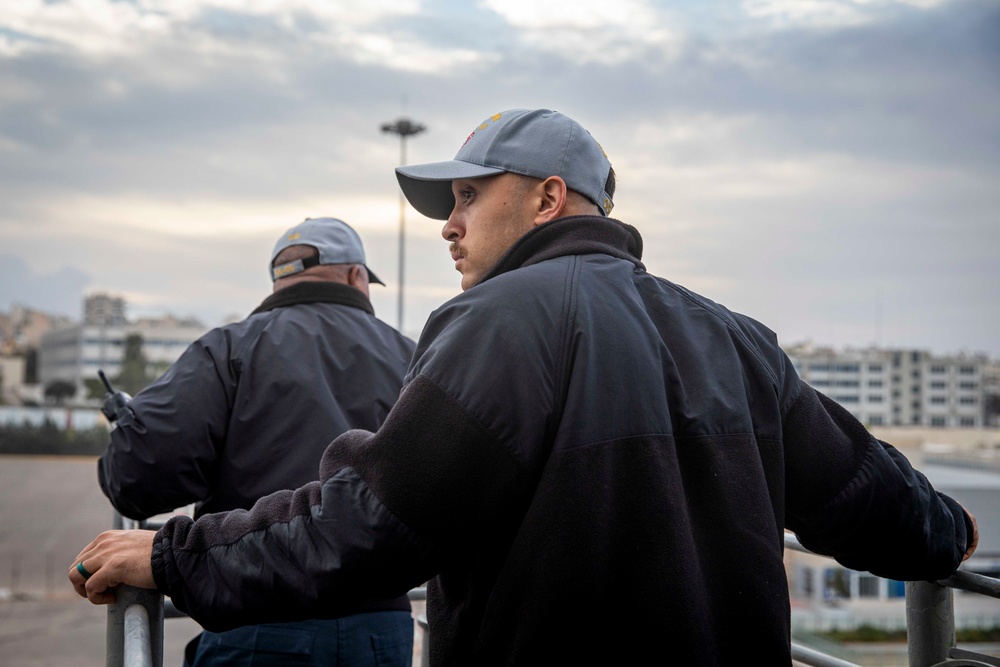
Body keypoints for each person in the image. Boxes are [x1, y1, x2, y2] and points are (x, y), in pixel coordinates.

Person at [72, 109, 978, 665]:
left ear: (548, 200)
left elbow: (368, 525)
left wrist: (174, 555)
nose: (449, 226)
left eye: (468, 198)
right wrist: (951, 531)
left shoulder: (499, 322)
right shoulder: (732, 334)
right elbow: (863, 494)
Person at [96, 217, 417, 666]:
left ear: (279, 279)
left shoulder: (228, 348)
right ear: (356, 275)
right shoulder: (413, 355)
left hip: (256, 620)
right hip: (381, 633)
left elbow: (138, 480)